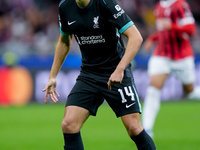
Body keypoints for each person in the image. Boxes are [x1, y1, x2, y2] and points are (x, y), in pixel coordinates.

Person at [42, 0, 157, 149]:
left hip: (115, 71)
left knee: (134, 128)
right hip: (89, 74)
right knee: (69, 124)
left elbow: (136, 37)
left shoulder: (105, 3)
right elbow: (64, 41)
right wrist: (52, 76)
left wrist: (120, 69)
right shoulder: (65, 7)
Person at [142, 0, 200, 138]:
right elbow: (162, 31)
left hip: (182, 57)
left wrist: (172, 26)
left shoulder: (181, 5)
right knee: (153, 90)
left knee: (190, 92)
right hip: (161, 55)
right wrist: (152, 38)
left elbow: (191, 29)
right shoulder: (158, 7)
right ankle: (146, 130)